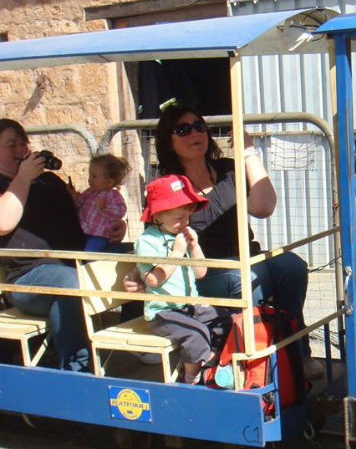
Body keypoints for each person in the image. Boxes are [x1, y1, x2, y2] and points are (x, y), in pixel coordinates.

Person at [126, 104, 322, 378]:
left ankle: (296, 355)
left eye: (199, 126)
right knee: (246, 277)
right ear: (168, 141)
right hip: (204, 271)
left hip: (245, 257)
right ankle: (251, 366)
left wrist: (248, 153)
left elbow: (264, 207)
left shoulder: (228, 170)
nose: (194, 133)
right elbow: (153, 237)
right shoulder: (169, 185)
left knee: (291, 266)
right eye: (183, 129)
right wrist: (139, 271)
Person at [0, 118, 126, 372]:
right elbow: (3, 223)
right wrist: (23, 179)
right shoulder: (11, 183)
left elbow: (84, 217)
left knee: (136, 259)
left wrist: (114, 227)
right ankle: (76, 367)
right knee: (71, 283)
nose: (20, 149)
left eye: (23, 142)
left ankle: (128, 345)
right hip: (27, 276)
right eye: (10, 144)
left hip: (75, 259)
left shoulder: (50, 181)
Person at [136, 174, 230, 384]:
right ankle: (191, 378)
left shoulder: (179, 237)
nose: (184, 222)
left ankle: (208, 361)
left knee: (223, 319)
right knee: (196, 335)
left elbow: (200, 273)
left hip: (188, 306)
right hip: (163, 312)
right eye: (178, 217)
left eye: (186, 217)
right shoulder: (147, 241)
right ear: (157, 215)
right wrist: (177, 254)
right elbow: (152, 280)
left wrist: (195, 247)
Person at [76, 154, 131, 252]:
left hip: (100, 235)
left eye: (94, 177)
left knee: (89, 253)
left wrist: (104, 209)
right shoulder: (89, 191)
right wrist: (75, 197)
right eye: (90, 175)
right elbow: (79, 203)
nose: (90, 179)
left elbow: (120, 211)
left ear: (109, 182)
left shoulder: (113, 195)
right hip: (84, 230)